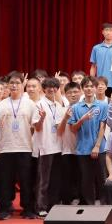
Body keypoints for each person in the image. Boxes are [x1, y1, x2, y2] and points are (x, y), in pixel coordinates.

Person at [0, 72, 44, 220]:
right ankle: (4, 209)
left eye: (17, 83)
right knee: (5, 181)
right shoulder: (1, 104)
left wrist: (42, 119)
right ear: (8, 85)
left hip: (25, 147)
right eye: (12, 83)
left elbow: (37, 127)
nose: (14, 85)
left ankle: (28, 209)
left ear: (22, 85)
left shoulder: (30, 104)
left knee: (26, 180)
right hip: (6, 148)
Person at [34, 78, 65, 216]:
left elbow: (59, 128)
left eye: (54, 87)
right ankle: (41, 207)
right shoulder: (38, 105)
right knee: (43, 180)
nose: (52, 89)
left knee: (55, 179)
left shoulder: (58, 105)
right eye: (49, 87)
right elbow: (37, 127)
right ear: (44, 89)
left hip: (58, 146)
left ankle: (53, 205)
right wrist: (41, 118)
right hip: (45, 147)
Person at [89, 23, 112, 96]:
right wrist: (92, 80)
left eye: (111, 30)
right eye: (106, 30)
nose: (108, 32)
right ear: (102, 32)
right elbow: (93, 66)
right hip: (100, 84)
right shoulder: (96, 48)